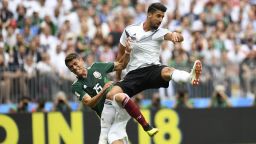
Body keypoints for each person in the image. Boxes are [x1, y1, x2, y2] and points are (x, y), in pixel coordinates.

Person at [106, 2, 202, 131]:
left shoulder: (161, 32)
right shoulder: (129, 30)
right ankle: (121, 124)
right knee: (111, 94)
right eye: (158, 16)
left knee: (167, 71)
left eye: (162, 17)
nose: (161, 20)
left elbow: (179, 37)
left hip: (152, 70)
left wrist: (176, 35)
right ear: (149, 15)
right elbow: (120, 57)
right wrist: (117, 78)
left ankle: (190, 77)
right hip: (133, 74)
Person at [65, 51, 156, 144]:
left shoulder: (96, 67)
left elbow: (121, 65)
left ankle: (146, 126)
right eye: (71, 67)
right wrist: (103, 90)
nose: (74, 68)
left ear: (81, 60)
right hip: (109, 119)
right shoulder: (76, 86)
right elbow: (89, 102)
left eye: (75, 64)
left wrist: (127, 52)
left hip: (118, 103)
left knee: (118, 96)